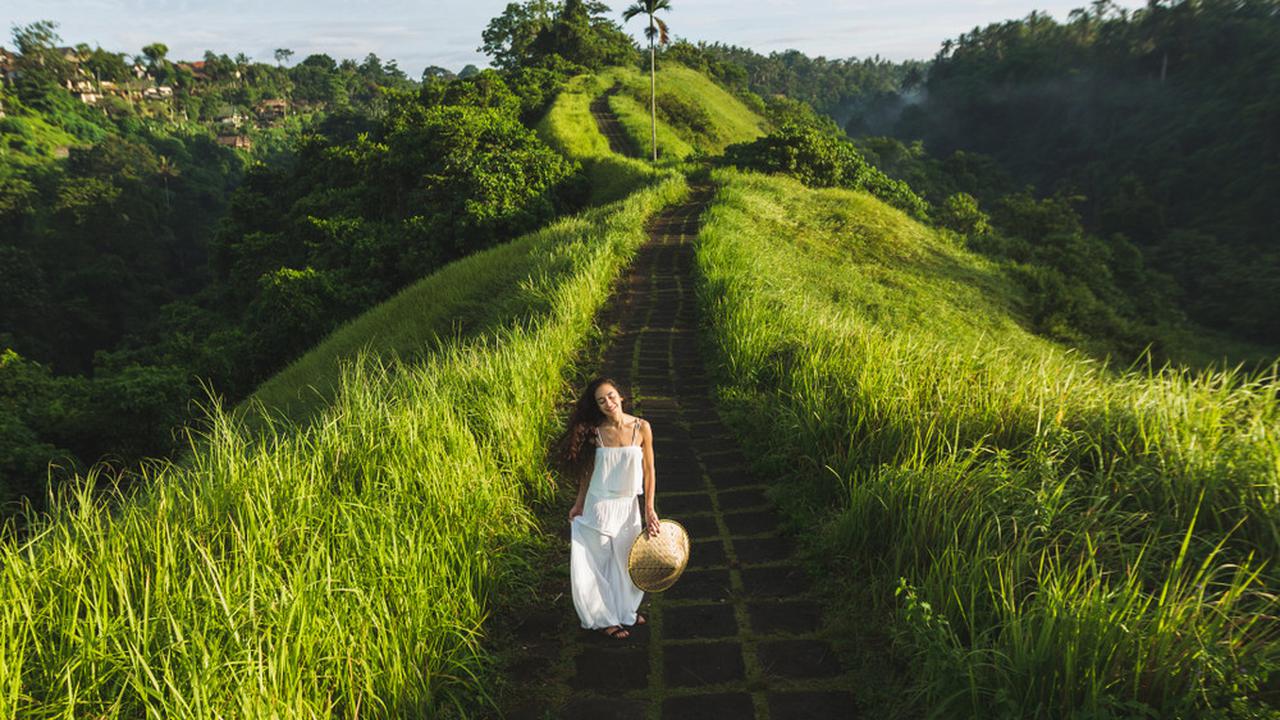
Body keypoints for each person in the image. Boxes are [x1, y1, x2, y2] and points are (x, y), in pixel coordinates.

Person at [555, 377, 660, 640]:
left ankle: (625, 611)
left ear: (620, 396)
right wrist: (580, 503)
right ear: (597, 406)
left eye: (611, 396)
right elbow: (588, 472)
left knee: (627, 561)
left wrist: (649, 508)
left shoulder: (642, 427)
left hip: (628, 506)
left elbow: (649, 470)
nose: (608, 403)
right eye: (601, 400)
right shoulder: (596, 432)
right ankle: (603, 618)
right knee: (598, 562)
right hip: (599, 504)